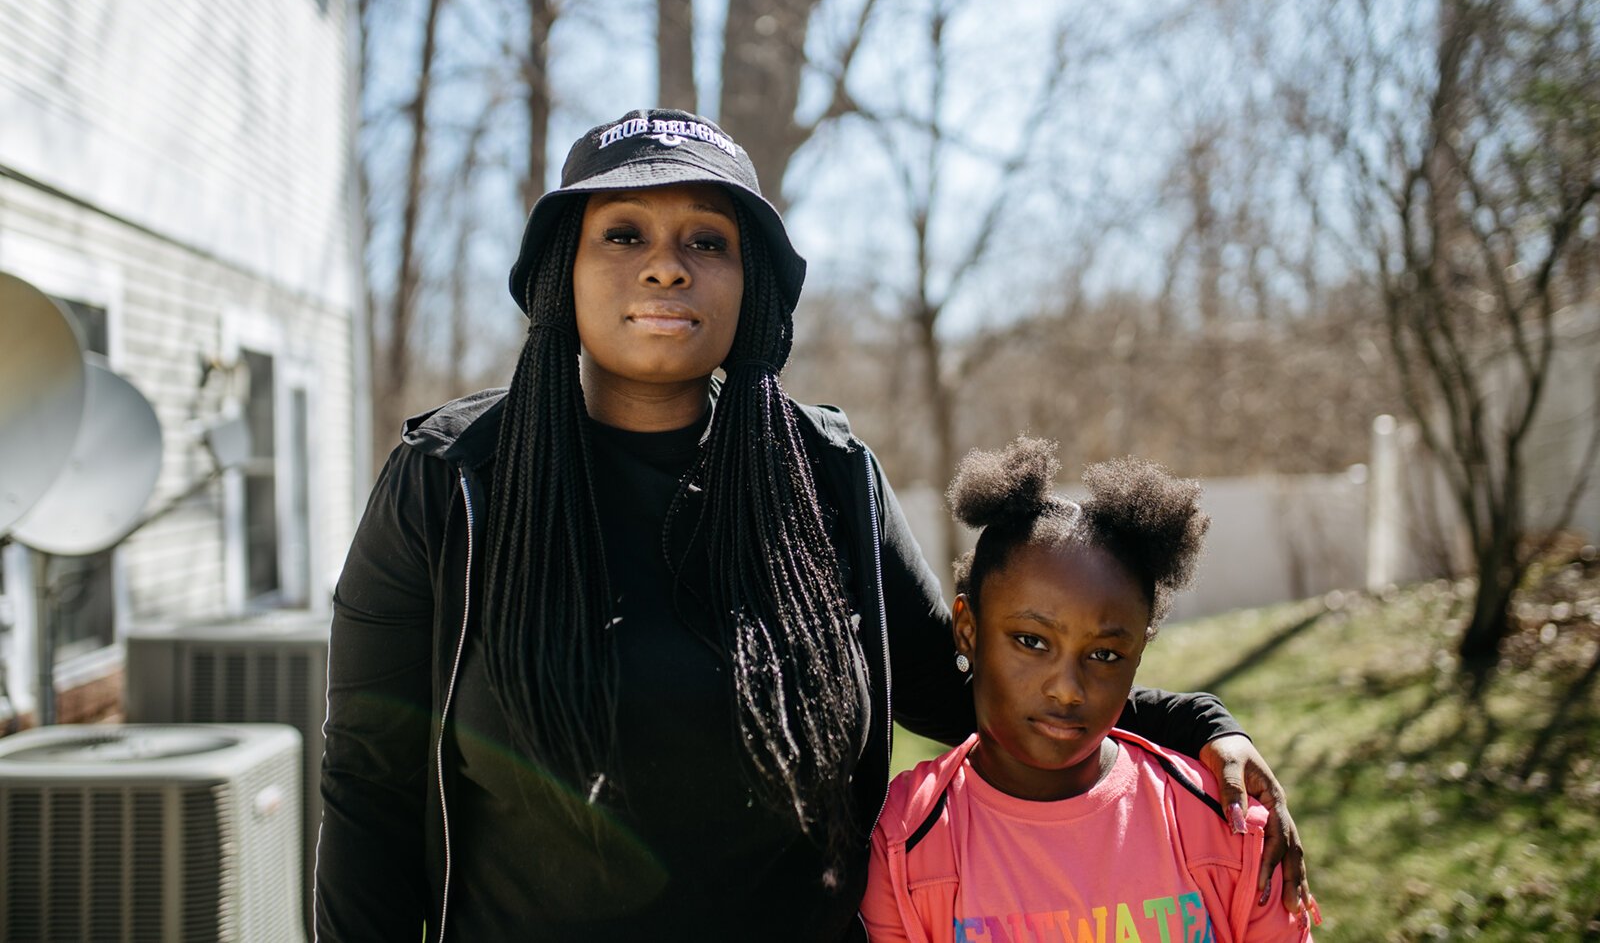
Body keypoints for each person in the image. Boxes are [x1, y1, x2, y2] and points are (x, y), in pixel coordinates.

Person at [314, 109, 1307, 941]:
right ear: (559, 271)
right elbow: (369, 778)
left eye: (708, 240)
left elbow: (968, 693)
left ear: (753, 286)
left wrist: (1193, 722)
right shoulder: (451, 486)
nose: (668, 267)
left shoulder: (825, 477)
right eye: (624, 234)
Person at [861, 438, 1322, 943]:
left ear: (1139, 651)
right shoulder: (904, 843)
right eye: (1032, 641)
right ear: (968, 629)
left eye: (1103, 654)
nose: (1066, 689)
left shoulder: (1227, 825)